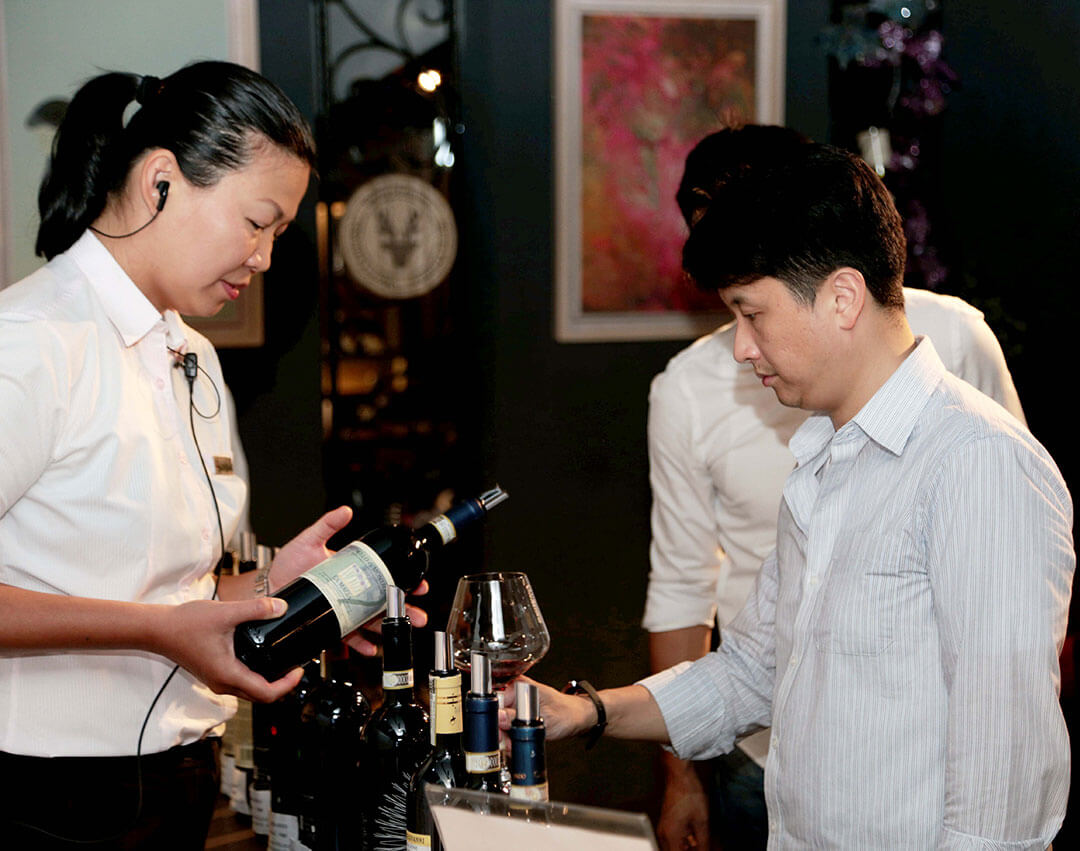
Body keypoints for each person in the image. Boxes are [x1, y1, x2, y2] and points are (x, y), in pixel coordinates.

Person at [507, 139, 1074, 847]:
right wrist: (585, 712)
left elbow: (1005, 785)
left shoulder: (979, 463)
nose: (741, 347)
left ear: (842, 297)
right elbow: (754, 669)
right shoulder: (824, 456)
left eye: (752, 314)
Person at [0, 61, 425, 848]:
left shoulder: (189, 352)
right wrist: (158, 632)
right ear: (160, 180)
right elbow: (158, 618)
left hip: (175, 774)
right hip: (45, 792)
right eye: (256, 222)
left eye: (278, 235)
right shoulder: (30, 342)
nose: (263, 258)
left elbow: (162, 592)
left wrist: (272, 585)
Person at [644, 127, 1027, 851]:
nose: (743, 345)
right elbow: (695, 599)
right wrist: (669, 768)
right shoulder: (760, 418)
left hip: (916, 784)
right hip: (757, 744)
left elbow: (1013, 632)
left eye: (753, 311)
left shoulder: (957, 361)